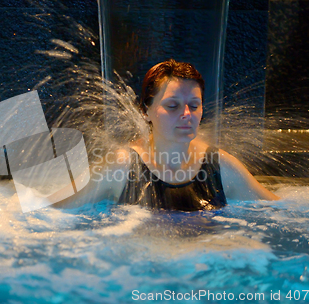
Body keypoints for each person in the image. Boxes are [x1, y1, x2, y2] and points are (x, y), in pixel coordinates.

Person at [53, 59, 279, 210]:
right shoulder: (122, 166)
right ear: (146, 111)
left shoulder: (220, 167)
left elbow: (284, 209)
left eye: (195, 105)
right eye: (173, 106)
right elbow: (54, 211)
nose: (186, 114)